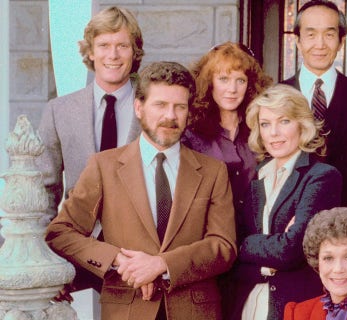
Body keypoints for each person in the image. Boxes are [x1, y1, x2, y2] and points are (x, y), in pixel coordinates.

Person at [45, 61, 237, 320]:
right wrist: (119, 261)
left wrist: (162, 264)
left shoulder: (213, 171)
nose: (170, 116)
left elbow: (223, 246)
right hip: (126, 307)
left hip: (194, 311)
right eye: (160, 105)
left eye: (179, 107)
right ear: (138, 107)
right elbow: (60, 232)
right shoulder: (104, 166)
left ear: (189, 112)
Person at [37, 6, 144, 294]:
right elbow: (44, 191)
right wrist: (44, 260)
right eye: (104, 45)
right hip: (76, 255)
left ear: (134, 52)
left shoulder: (153, 107)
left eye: (122, 45)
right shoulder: (59, 110)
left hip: (139, 259)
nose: (113, 55)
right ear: (91, 51)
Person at [223, 84, 342, 320]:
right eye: (265, 124)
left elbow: (292, 250)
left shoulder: (321, 176)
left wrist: (250, 244)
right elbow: (232, 245)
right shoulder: (257, 177)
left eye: (284, 121)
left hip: (294, 306)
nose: (273, 133)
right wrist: (264, 257)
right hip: (247, 304)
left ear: (302, 124)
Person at [282, 0, 347, 207]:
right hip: (287, 217)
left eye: (329, 34)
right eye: (311, 34)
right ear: (297, 41)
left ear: (341, 41)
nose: (320, 44)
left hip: (346, 216)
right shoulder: (276, 95)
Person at [183, 42, 272, 212]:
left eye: (240, 80)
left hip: (257, 232)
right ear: (209, 82)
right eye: (224, 79)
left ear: (250, 85)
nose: (232, 89)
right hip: (211, 231)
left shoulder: (262, 129)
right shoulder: (191, 134)